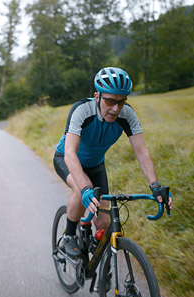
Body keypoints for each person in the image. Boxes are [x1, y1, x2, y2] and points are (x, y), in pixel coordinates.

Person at [53, 66, 173, 259]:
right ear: (97, 96)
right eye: (110, 101)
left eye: (121, 102)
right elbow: (69, 154)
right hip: (66, 159)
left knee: (104, 222)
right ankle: (68, 236)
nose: (116, 108)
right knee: (84, 188)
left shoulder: (127, 115)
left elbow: (141, 152)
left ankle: (96, 256)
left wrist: (155, 185)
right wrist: (84, 189)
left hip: (95, 165)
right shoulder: (82, 110)